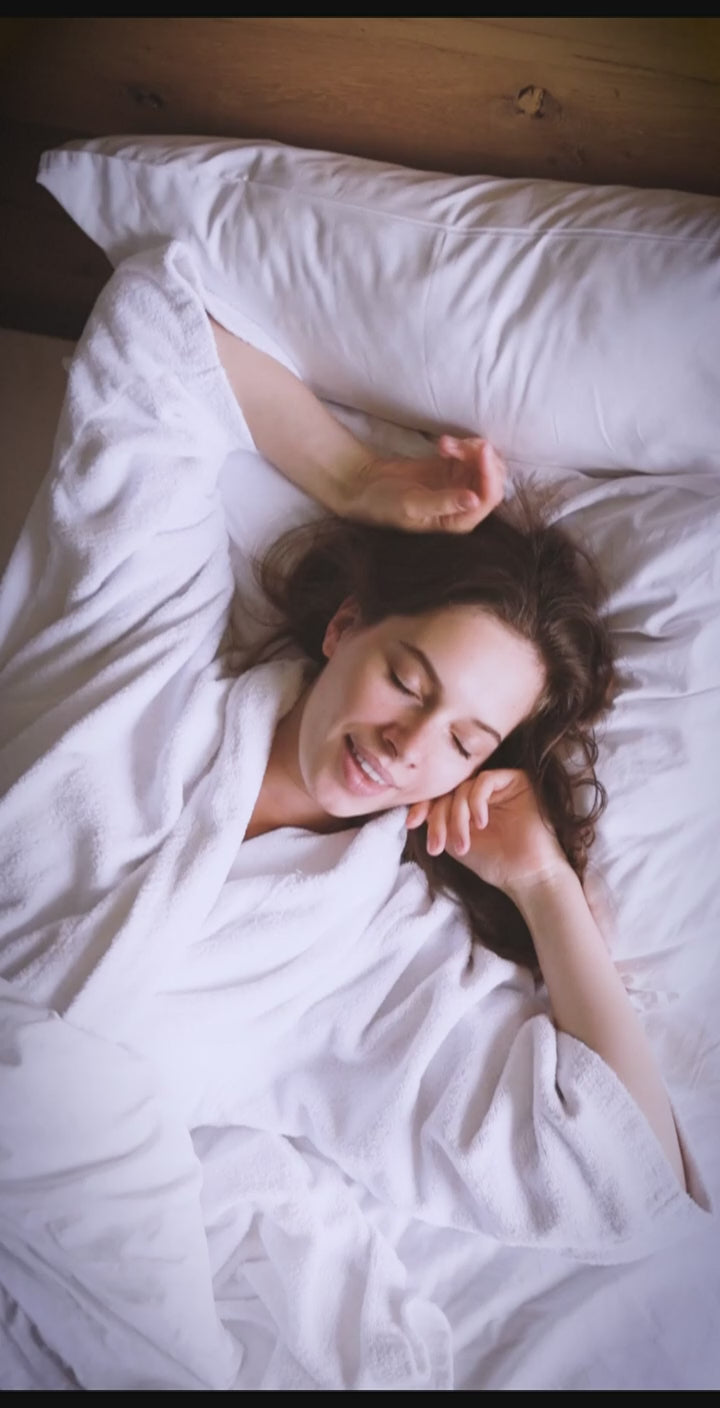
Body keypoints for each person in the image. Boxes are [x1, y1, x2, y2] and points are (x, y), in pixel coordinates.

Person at [209, 318, 687, 1191]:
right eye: (407, 681)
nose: (409, 745)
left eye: (464, 741)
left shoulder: (373, 935)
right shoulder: (151, 661)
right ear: (346, 625)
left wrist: (544, 885)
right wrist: (355, 477)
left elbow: (630, 1175)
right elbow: (156, 327)